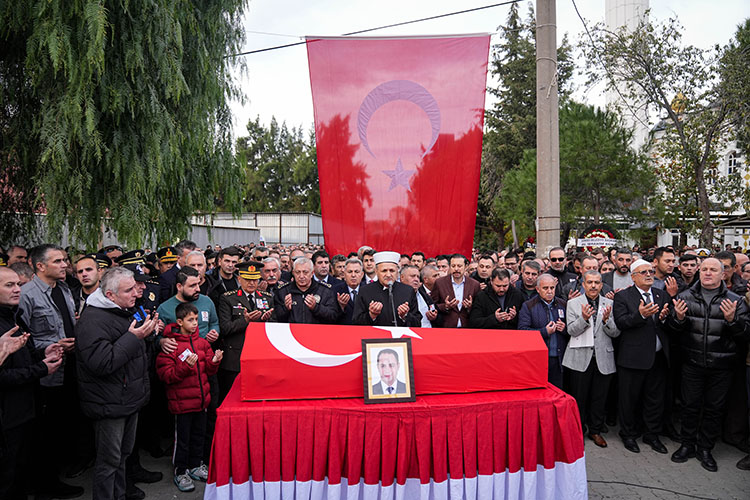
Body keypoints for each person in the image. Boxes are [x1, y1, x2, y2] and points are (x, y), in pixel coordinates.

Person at [75, 267, 159, 500]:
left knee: (122, 455)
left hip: (127, 398)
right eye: (129, 290)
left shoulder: (123, 310)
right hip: (109, 403)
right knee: (109, 461)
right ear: (110, 295)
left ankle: (119, 495)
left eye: (135, 287)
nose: (137, 293)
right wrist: (135, 337)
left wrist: (146, 333)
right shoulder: (93, 319)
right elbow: (102, 362)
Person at [669, 258, 750, 472]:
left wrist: (733, 320)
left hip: (722, 366)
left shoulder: (736, 301)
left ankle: (705, 448)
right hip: (692, 363)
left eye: (713, 270)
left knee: (714, 409)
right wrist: (677, 318)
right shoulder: (684, 297)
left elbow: (745, 336)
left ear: (723, 274)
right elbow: (672, 333)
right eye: (703, 269)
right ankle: (687, 445)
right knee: (689, 406)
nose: (707, 273)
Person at [16, 244, 83, 498]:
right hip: (46, 373)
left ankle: (55, 476)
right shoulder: (27, 295)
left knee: (61, 426)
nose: (65, 265)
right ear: (40, 266)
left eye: (65, 260)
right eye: (58, 261)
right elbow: (23, 337)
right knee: (44, 432)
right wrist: (53, 345)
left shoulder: (64, 289)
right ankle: (45, 484)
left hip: (69, 367)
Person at [0, 266, 64, 500]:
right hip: (9, 415)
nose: (18, 290)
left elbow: (22, 357)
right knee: (8, 476)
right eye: (9, 285)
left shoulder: (13, 317)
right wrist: (42, 368)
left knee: (21, 470)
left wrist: (43, 353)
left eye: (18, 284)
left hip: (27, 407)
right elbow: (4, 375)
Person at [156, 302, 223, 492]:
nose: (195, 324)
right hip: (182, 405)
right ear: (179, 322)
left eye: (196, 319)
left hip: (202, 402)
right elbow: (166, 376)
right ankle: (181, 471)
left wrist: (214, 361)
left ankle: (195, 465)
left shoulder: (202, 343)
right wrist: (185, 367)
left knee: (198, 437)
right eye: (190, 320)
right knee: (182, 440)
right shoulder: (171, 345)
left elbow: (208, 370)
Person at [613, 258, 671, 455]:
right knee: (629, 399)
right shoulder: (623, 297)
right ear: (633, 276)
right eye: (644, 272)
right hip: (632, 358)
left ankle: (652, 434)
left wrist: (666, 318)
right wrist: (640, 315)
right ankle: (628, 434)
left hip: (657, 357)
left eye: (651, 271)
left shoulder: (661, 295)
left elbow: (666, 324)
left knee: (655, 399)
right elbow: (621, 323)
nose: (649, 275)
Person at [563, 270, 620, 448]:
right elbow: (571, 331)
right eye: (590, 282)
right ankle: (578, 431)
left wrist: (606, 321)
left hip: (603, 357)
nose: (593, 286)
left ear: (602, 285)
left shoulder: (609, 304)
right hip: (580, 357)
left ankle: (595, 431)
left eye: (597, 282)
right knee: (579, 398)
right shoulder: (573, 303)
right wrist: (584, 318)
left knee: (599, 398)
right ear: (584, 284)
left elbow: (616, 332)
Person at [217, 261, 274, 400]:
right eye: (247, 279)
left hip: (259, 355)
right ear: (239, 279)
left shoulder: (267, 298)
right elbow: (225, 328)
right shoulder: (228, 298)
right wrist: (245, 321)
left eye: (255, 279)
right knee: (232, 398)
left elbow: (275, 326)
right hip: (235, 357)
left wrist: (265, 321)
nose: (251, 283)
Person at [518, 274, 568, 388]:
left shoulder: (563, 304)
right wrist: (544, 332)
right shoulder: (528, 306)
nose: (549, 291)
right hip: (538, 360)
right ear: (538, 289)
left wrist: (564, 329)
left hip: (559, 359)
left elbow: (572, 331)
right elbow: (522, 331)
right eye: (545, 288)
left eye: (552, 288)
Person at [352, 251, 421, 327]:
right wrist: (371, 315)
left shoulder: (408, 291)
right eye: (384, 271)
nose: (388, 275)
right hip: (374, 337)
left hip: (401, 338)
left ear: (397, 272)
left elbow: (417, 322)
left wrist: (405, 316)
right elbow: (356, 322)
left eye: (392, 271)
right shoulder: (365, 291)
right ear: (376, 272)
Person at [275, 257, 340, 324]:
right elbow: (276, 318)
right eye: (298, 272)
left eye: (305, 272)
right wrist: (285, 309)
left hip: (317, 332)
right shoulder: (283, 291)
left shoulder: (325, 291)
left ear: (312, 273)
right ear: (293, 273)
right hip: (291, 333)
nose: (301, 276)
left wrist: (316, 307)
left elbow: (333, 316)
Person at [430, 254, 480, 328]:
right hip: (446, 327)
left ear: (466, 267)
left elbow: (479, 308)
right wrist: (446, 306)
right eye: (453, 266)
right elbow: (432, 304)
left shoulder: (474, 284)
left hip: (467, 327)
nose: (456, 269)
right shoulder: (440, 283)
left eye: (459, 266)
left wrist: (470, 306)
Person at [336, 258, 364, 325]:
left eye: (356, 272)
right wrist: (341, 307)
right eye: (350, 272)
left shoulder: (368, 290)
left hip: (363, 330)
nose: (353, 275)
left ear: (362, 274)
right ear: (344, 274)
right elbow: (331, 316)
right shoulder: (335, 290)